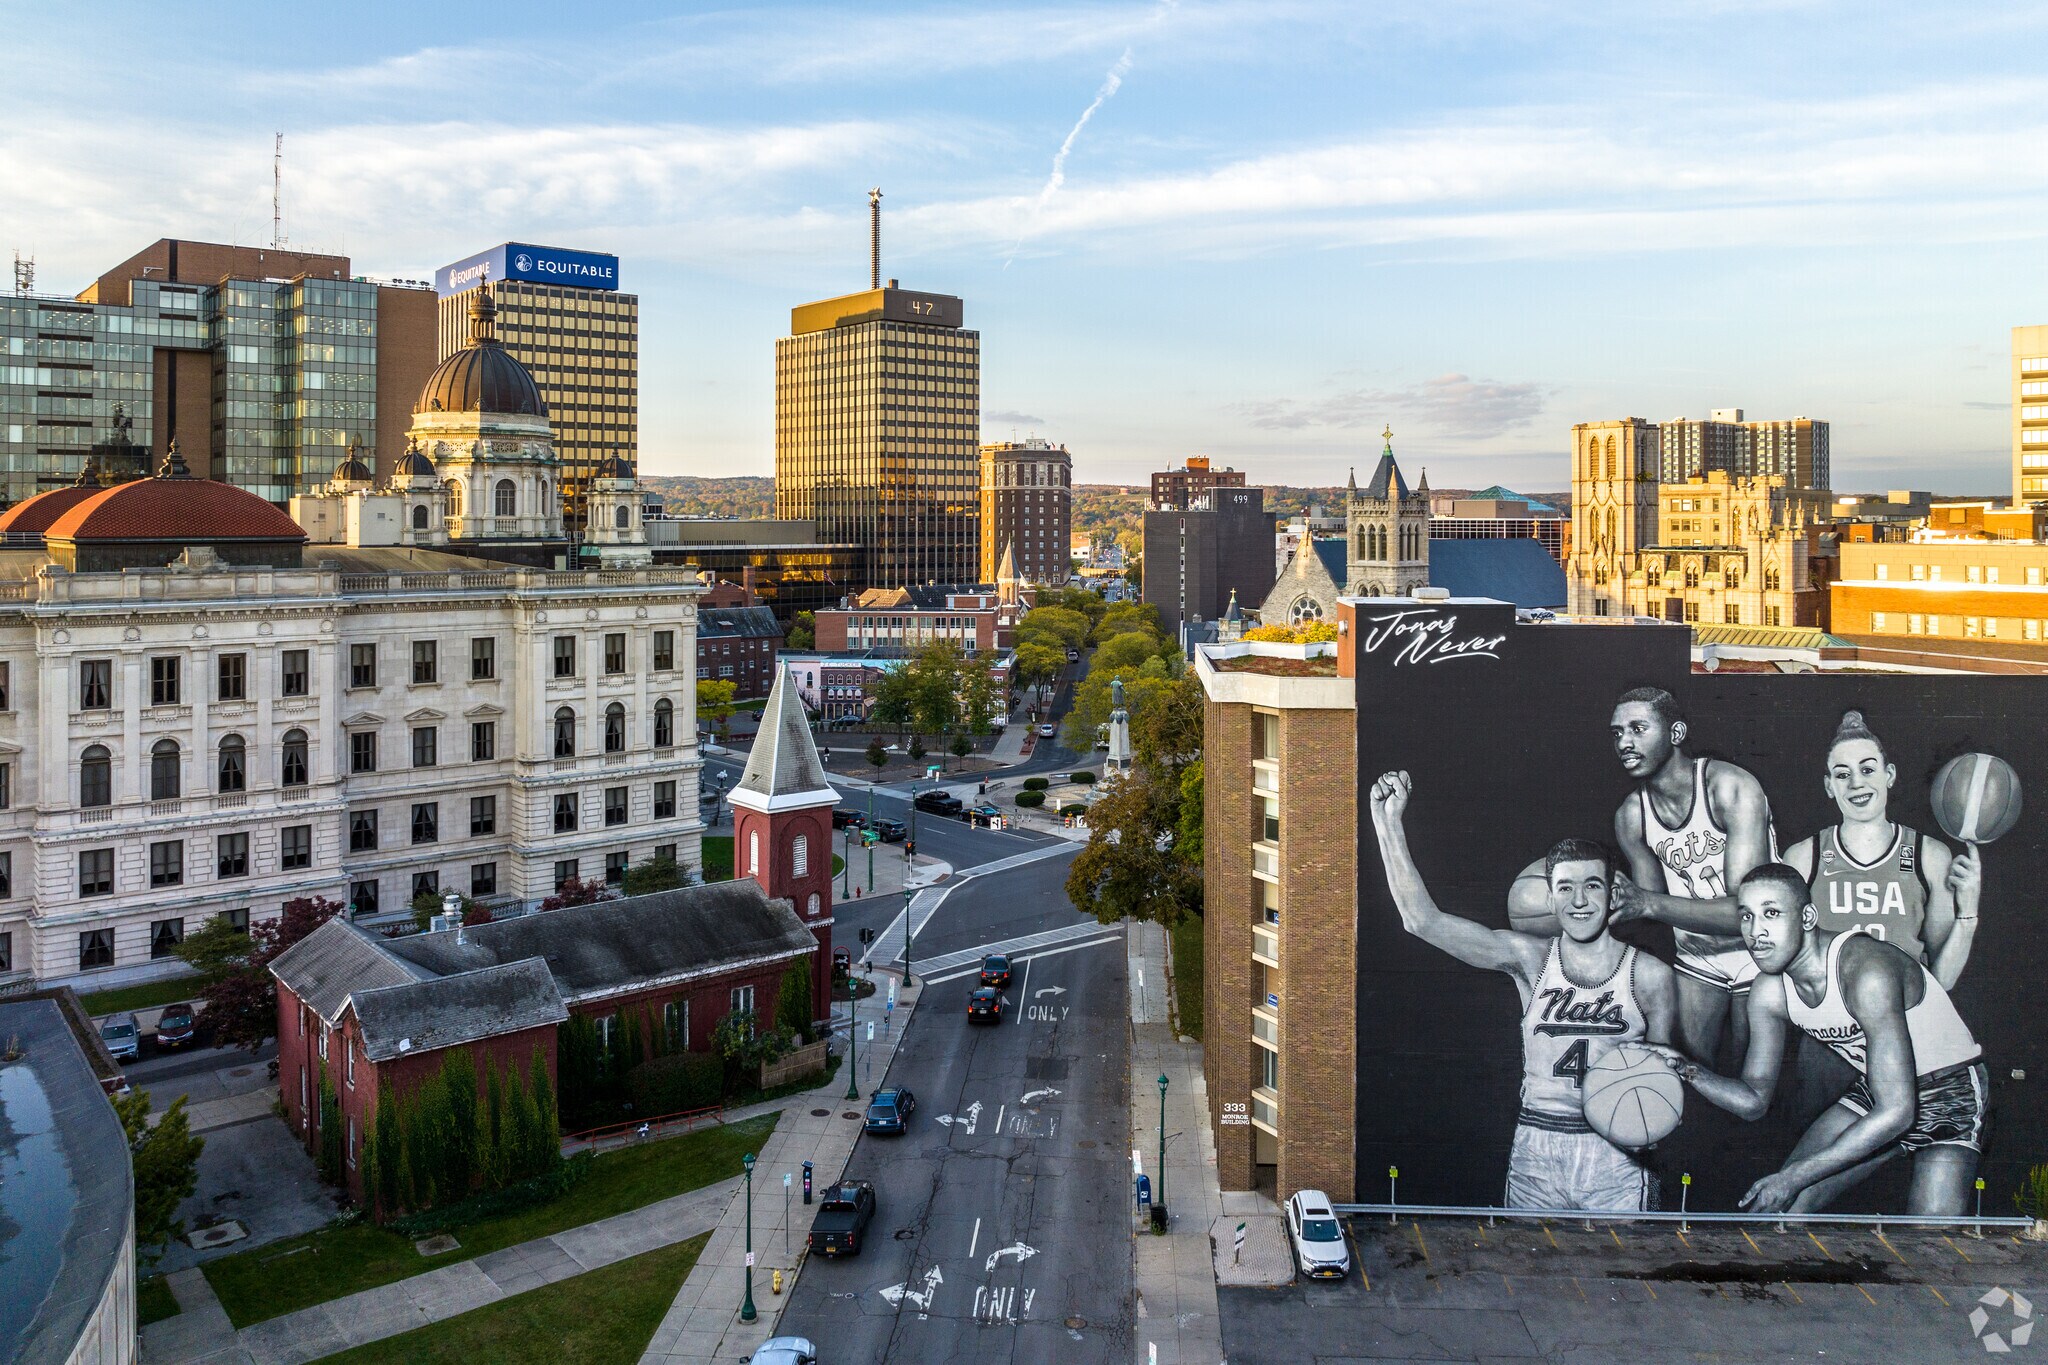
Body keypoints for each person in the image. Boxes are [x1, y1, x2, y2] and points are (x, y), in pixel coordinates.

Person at [1371, 770, 1677, 1210]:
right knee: (1532, 1269)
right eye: (1565, 888)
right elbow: (1422, 921)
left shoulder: (1649, 974)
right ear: (1549, 899)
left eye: (1592, 886)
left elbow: (1662, 1080)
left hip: (1616, 1154)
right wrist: (1388, 824)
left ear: (1614, 894)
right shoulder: (1529, 959)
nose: (1579, 901)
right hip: (1538, 1142)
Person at [1651, 864, 1985, 1214]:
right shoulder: (1770, 992)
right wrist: (1686, 1069)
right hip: (1880, 1090)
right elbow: (1753, 1100)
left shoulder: (1865, 971)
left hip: (1950, 1090)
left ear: (1808, 916)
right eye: (1746, 916)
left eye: (1772, 913)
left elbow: (1899, 1112)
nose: (1756, 932)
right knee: (1780, 1213)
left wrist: (1793, 1177)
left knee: (1931, 1243)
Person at [1608, 686, 1777, 1065]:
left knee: (1750, 1077)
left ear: (1676, 734)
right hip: (1697, 958)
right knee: (1686, 1075)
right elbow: (1649, 910)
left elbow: (1747, 915)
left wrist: (1646, 903)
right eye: (1617, 733)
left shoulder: (1730, 787)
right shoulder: (1631, 815)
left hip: (1763, 952)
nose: (1625, 743)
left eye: (1638, 729)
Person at [1782, 710, 1980, 989]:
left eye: (1867, 770)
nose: (1856, 783)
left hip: (1908, 1016)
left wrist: (1968, 912)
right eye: (1842, 774)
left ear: (1889, 774)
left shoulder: (1930, 855)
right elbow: (1788, 966)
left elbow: (1942, 982)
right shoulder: (1802, 858)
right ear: (1829, 786)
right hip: (1830, 1022)